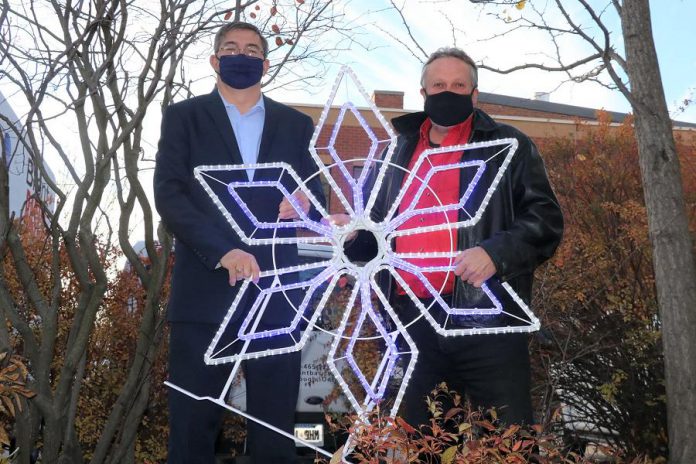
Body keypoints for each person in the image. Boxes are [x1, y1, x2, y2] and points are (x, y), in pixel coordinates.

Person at [340, 47, 564, 428]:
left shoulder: (508, 146)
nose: (449, 92)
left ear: (475, 95)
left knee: (508, 444)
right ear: (423, 94)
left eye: (459, 85)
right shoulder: (395, 153)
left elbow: (545, 219)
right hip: (413, 324)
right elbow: (375, 232)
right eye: (439, 85)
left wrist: (496, 252)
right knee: (426, 442)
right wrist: (349, 235)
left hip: (488, 317)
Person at [154, 21, 324, 464]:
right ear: (214, 60)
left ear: (265, 64)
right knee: (192, 426)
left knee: (273, 431)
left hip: (277, 297)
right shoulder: (183, 117)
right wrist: (222, 251)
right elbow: (170, 194)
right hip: (206, 292)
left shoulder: (296, 124)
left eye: (251, 50)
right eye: (230, 48)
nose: (241, 55)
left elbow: (316, 192)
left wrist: (306, 200)